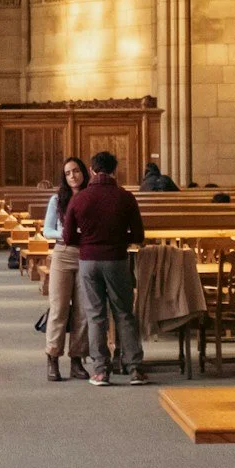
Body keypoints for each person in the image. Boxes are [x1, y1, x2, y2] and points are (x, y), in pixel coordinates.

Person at [60, 151, 147, 387]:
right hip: (117, 260)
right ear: (114, 170)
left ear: (91, 170)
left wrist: (88, 242)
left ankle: (100, 371)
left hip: (89, 262)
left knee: (95, 315)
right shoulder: (126, 197)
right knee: (124, 314)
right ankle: (135, 369)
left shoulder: (79, 199)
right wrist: (117, 239)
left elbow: (67, 237)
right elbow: (138, 235)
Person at [40, 157, 90, 381]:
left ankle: (77, 360)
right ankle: (52, 358)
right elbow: (47, 230)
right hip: (63, 252)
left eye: (76, 171)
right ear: (64, 176)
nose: (73, 176)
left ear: (83, 173)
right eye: (68, 173)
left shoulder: (90, 197)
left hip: (87, 254)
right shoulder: (57, 200)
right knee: (59, 308)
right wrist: (67, 234)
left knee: (83, 311)